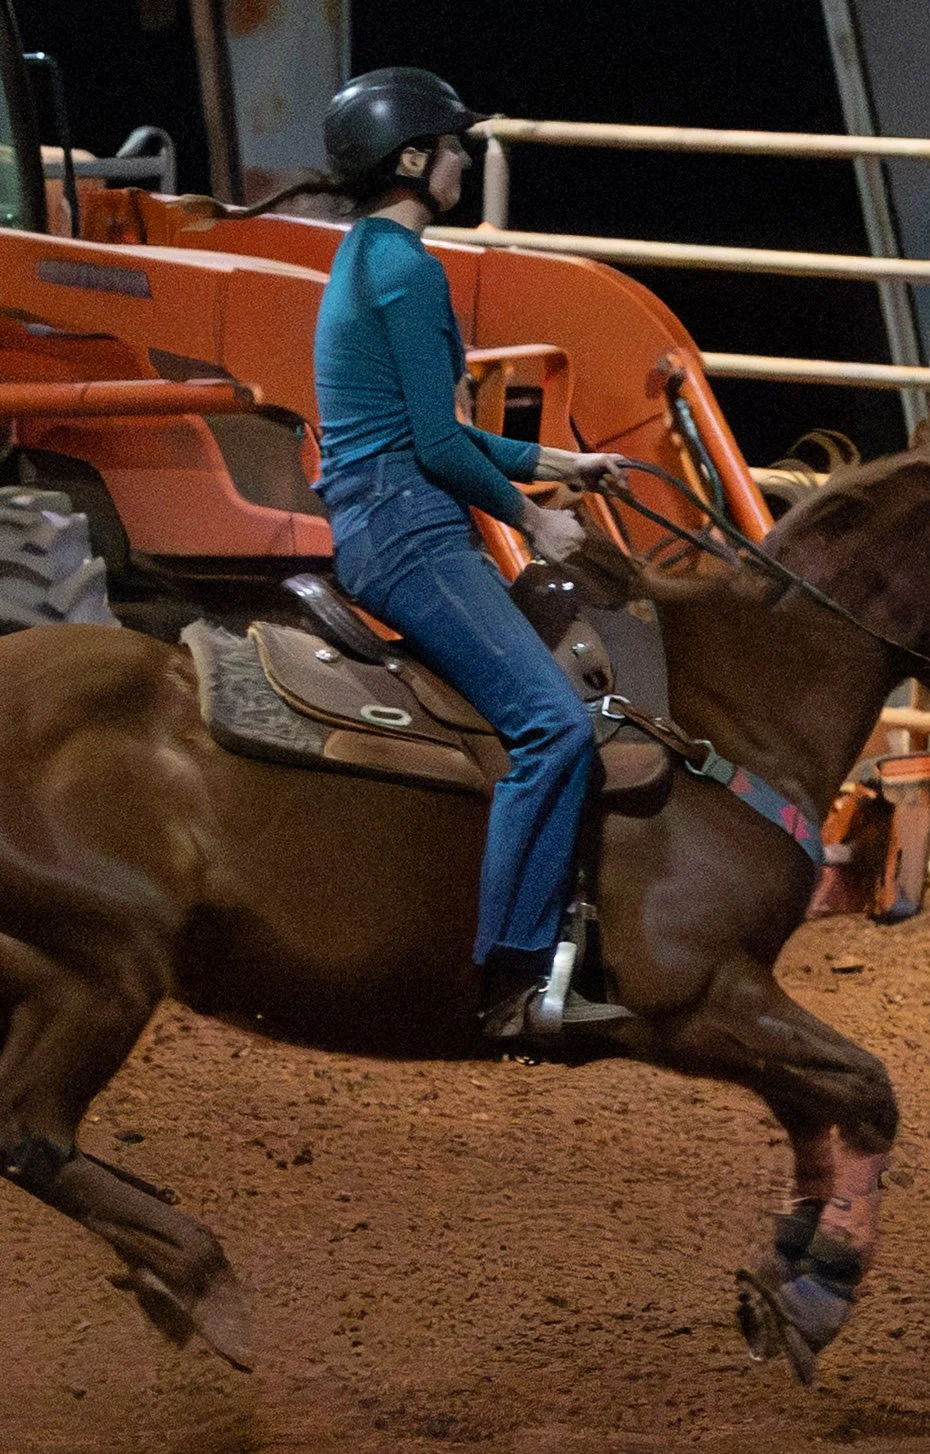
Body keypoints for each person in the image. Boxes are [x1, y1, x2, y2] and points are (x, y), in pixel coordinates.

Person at [308, 68, 629, 1039]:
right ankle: (513, 981)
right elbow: (440, 446)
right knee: (556, 728)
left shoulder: (366, 255)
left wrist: (561, 460)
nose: (465, 157)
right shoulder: (409, 271)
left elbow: (426, 430)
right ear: (415, 161)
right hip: (407, 532)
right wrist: (534, 518)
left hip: (383, 516)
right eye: (454, 145)